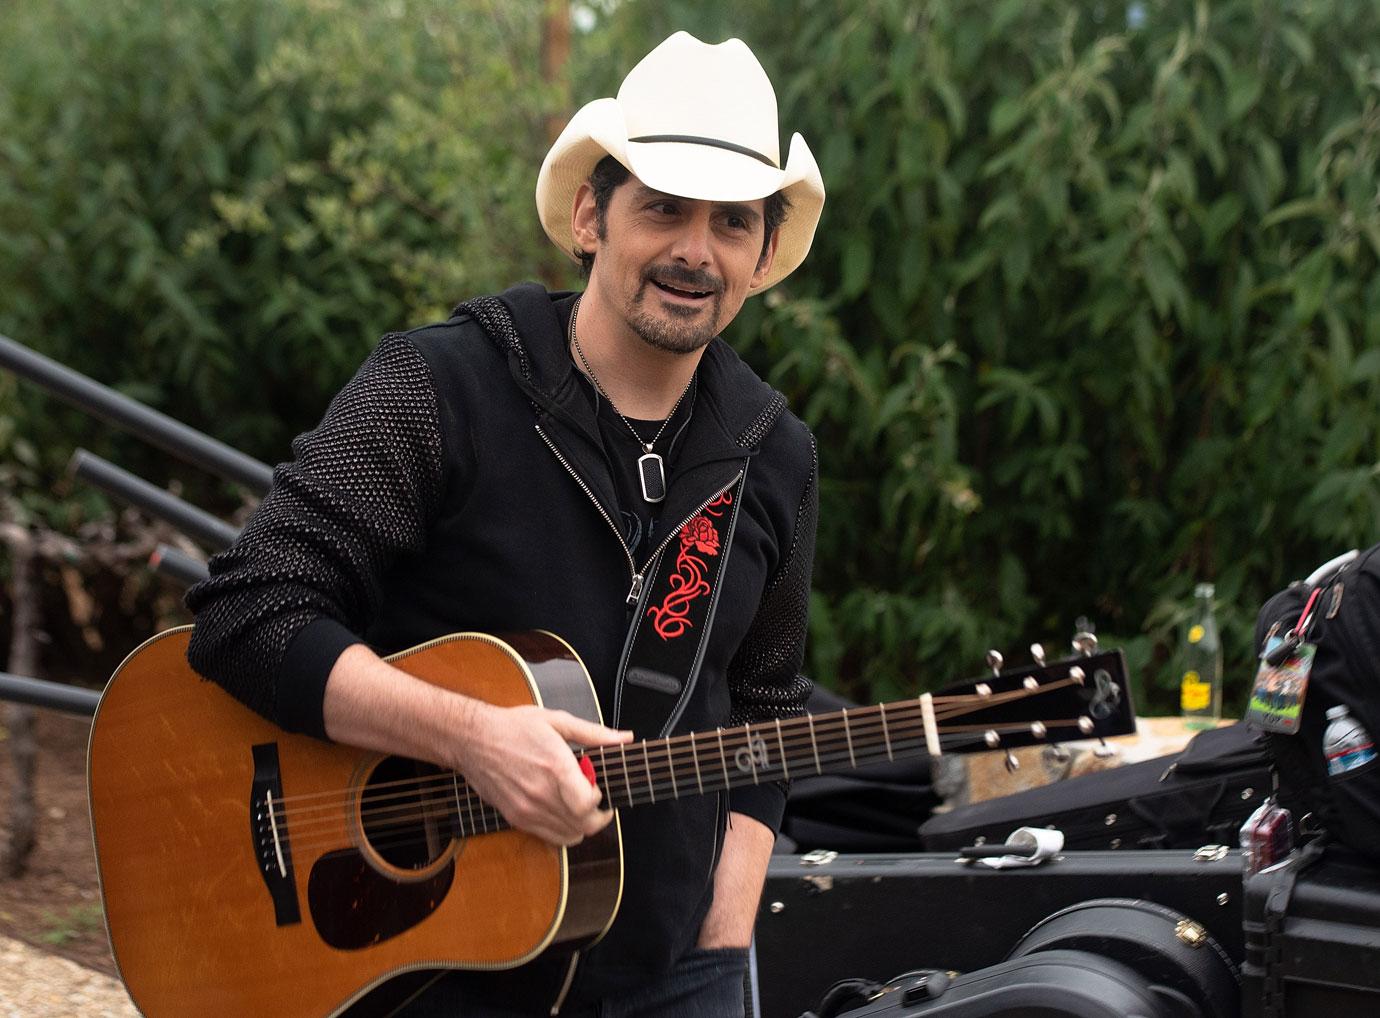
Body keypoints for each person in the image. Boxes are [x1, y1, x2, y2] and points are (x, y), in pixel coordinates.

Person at [185, 30, 825, 1017]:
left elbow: (767, 706)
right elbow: (252, 611)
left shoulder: (772, 453)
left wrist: (723, 927)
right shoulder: (441, 386)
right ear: (589, 214)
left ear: (764, 252)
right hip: (415, 966)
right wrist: (472, 735)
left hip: (665, 978)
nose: (697, 249)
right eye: (663, 206)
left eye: (734, 221)